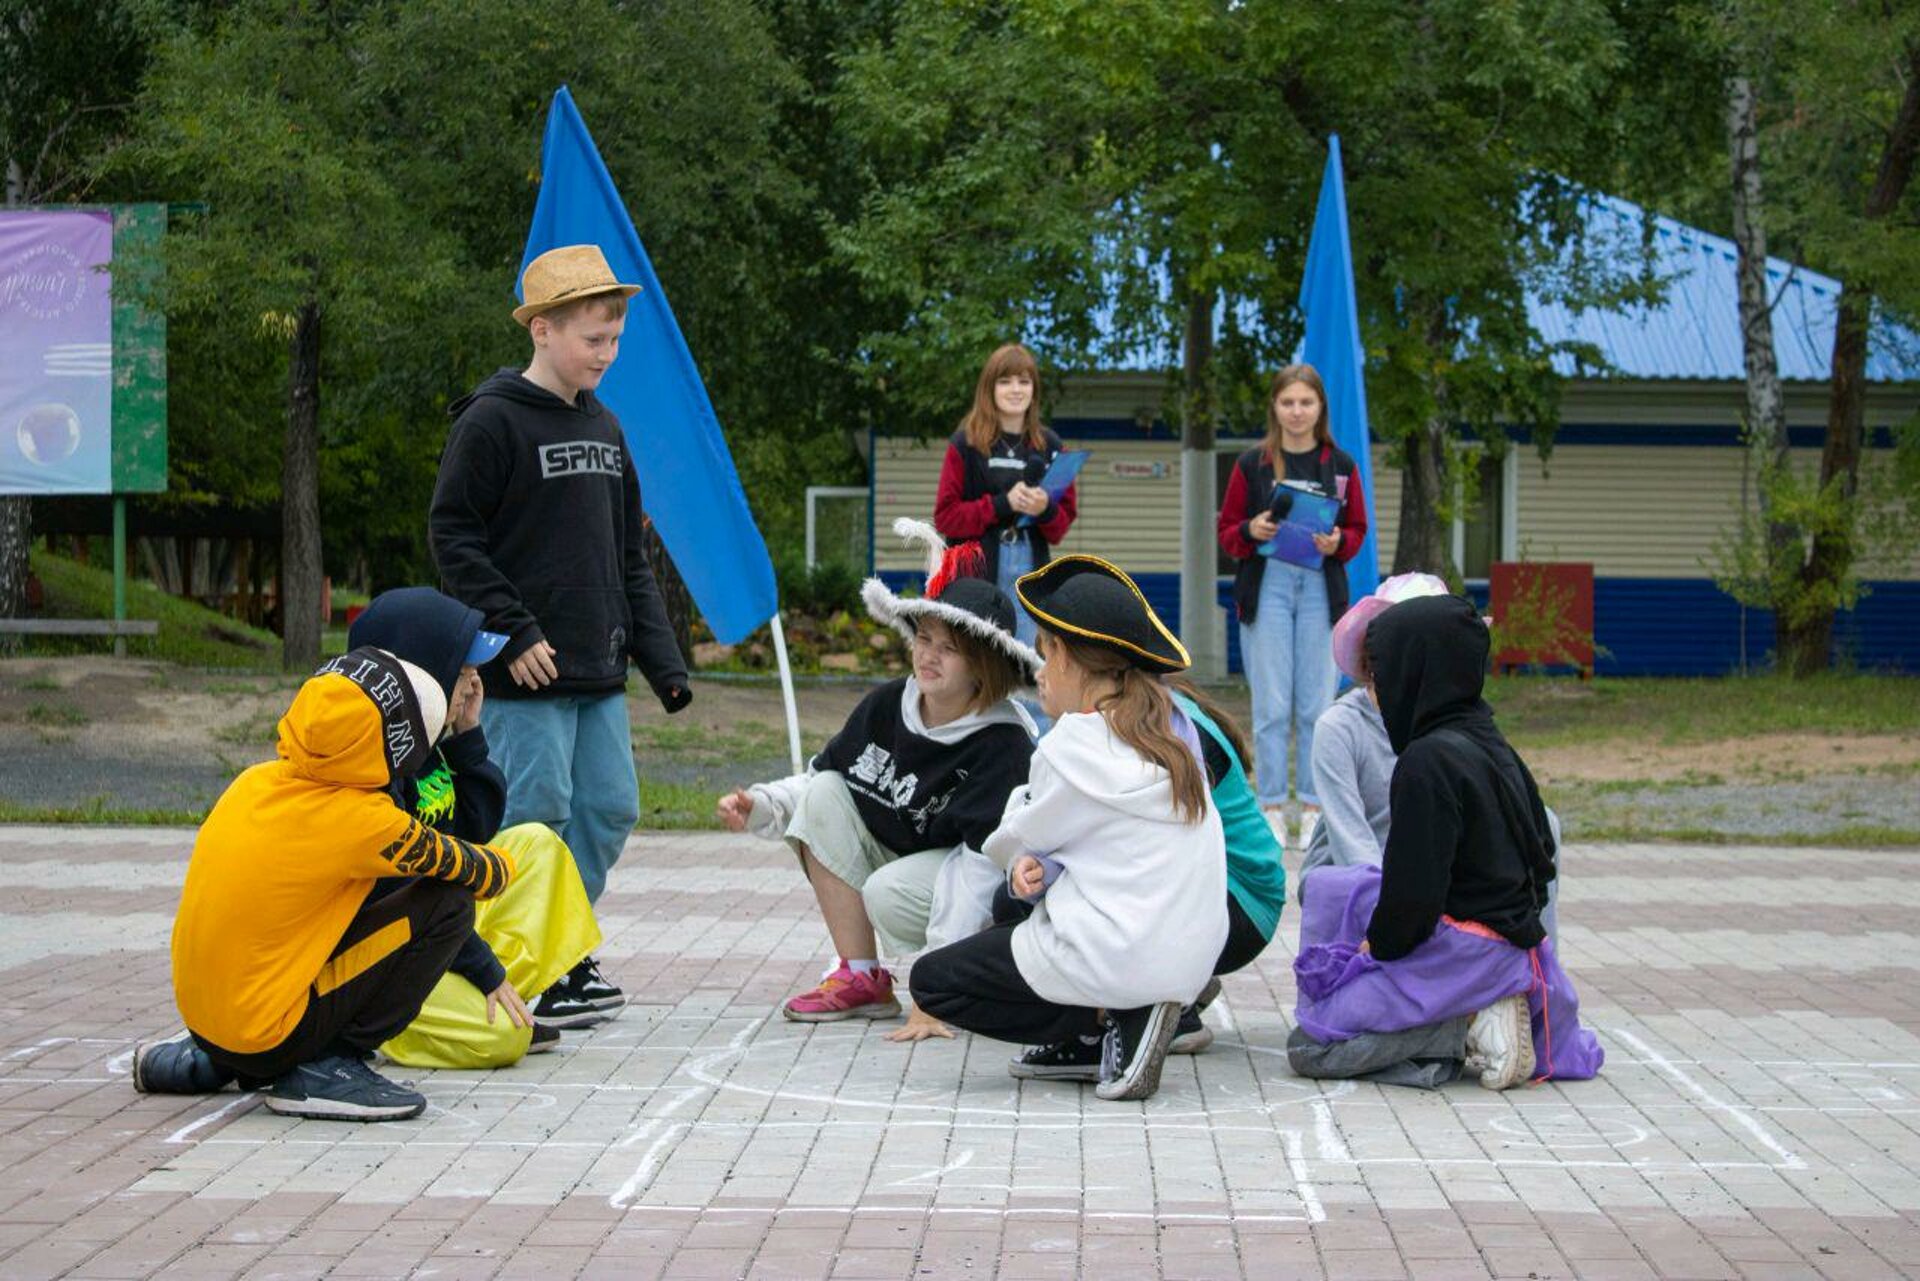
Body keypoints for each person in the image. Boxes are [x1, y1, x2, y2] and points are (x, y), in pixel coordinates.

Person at [429, 244, 693, 1026]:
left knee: (608, 809)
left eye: (614, 340)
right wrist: (511, 631)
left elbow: (626, 556)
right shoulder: (491, 420)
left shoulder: (606, 426)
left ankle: (555, 952)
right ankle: (523, 965)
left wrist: (663, 662)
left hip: (597, 667)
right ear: (543, 330)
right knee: (532, 816)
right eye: (593, 339)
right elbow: (454, 536)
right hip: (524, 673)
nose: (607, 355)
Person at [132, 648, 515, 1120]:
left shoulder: (255, 782)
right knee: (448, 902)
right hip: (266, 1032)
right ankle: (327, 1066)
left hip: (206, 1021)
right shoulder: (363, 819)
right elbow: (486, 874)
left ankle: (215, 1063)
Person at [911, 555, 1227, 1102]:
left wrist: (1026, 856)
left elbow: (1011, 839)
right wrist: (1038, 862)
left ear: (1065, 657)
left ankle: (1109, 1018)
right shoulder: (1170, 734)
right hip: (1194, 953)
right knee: (1022, 897)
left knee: (934, 981)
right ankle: (1108, 1030)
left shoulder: (1073, 743)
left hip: (1125, 952)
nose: (1037, 671)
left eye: (1043, 653)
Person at [717, 520, 1039, 1036]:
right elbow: (825, 776)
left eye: (949, 648)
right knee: (824, 793)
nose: (928, 655)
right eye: (924, 639)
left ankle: (980, 978)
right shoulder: (891, 703)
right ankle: (861, 976)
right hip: (904, 853)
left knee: (888, 891)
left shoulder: (1002, 744)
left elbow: (979, 873)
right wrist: (761, 805)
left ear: (984, 664)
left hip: (979, 891)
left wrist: (938, 990)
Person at [1287, 595, 1603, 1091]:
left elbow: (1413, 898)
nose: (1380, 688)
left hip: (1461, 954)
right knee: (1345, 907)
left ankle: (1464, 1027)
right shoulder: (1491, 742)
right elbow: (1544, 855)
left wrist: (1375, 950)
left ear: (1418, 671)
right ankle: (1465, 1029)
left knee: (1312, 1043)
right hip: (1516, 949)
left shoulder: (1426, 762)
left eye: (1386, 673)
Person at [346, 587, 604, 1068]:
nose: (472, 681)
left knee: (536, 845)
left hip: (440, 927)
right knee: (503, 1041)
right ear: (417, 673)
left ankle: (493, 997)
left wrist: (468, 736)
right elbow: (415, 890)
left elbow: (476, 836)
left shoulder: (425, 740)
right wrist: (484, 971)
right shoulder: (373, 764)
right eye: (460, 672)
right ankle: (382, 1030)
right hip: (391, 956)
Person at [1004, 673, 1285, 1079]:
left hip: (1237, 905)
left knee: (1049, 895)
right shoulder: (1136, 709)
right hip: (1232, 901)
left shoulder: (1154, 724)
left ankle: (1132, 1013)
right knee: (1026, 886)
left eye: (1055, 652)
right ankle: (1173, 994)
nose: (1039, 671)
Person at [1301, 573, 1561, 938]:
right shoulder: (1344, 729)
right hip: (1372, 877)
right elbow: (1354, 846)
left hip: (1426, 880)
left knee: (1547, 821)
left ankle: (1540, 966)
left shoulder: (1456, 734)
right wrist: (1388, 936)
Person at [1217, 364, 1369, 832]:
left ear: (1320, 407)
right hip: (1269, 586)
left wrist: (1338, 541)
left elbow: (1358, 529)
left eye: (1306, 402)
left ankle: (1311, 803)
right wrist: (1251, 529)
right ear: (1275, 408)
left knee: (1316, 704)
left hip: (1321, 587)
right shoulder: (1253, 463)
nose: (1297, 411)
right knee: (1271, 705)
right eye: (1288, 402)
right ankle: (1268, 805)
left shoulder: (1340, 465)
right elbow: (1227, 532)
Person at [932, 342, 1079, 645]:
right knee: (977, 656)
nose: (1016, 390)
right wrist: (1003, 504)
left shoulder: (1051, 445)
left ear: (1034, 390)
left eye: (1024, 381)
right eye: (1005, 381)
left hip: (1030, 565)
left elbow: (1060, 526)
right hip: (976, 567)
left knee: (1024, 658)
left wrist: (1045, 509)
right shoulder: (965, 444)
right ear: (990, 388)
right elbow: (946, 518)